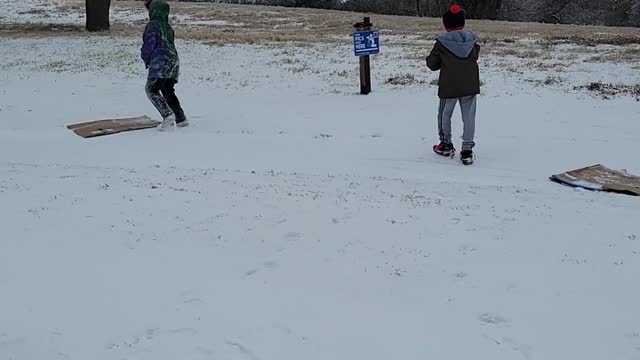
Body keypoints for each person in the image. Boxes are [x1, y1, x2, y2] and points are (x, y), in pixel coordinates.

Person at [426, 4, 480, 165]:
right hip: (470, 85)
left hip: (449, 87)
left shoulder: (442, 43)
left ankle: (446, 144)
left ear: (446, 24)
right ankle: (467, 150)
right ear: (462, 23)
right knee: (469, 117)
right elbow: (475, 57)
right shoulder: (472, 41)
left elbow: (432, 64)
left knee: (445, 114)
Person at [141, 0, 188, 129]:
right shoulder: (168, 27)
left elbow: (148, 45)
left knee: (151, 89)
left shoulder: (153, 25)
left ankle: (167, 115)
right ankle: (180, 117)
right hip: (173, 62)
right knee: (167, 90)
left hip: (160, 62)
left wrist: (146, 58)